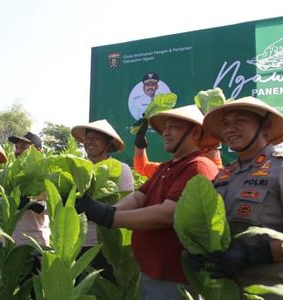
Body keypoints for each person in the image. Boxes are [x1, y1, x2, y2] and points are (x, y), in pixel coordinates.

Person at [74, 105, 219, 299]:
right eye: (165, 128)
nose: (165, 133)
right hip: (153, 269)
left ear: (194, 133)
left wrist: (110, 217)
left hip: (175, 274)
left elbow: (167, 214)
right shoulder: (166, 167)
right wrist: (106, 211)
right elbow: (138, 197)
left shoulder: (198, 166)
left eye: (173, 127)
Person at [201, 96, 283, 293]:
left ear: (265, 127)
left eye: (240, 121)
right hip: (229, 291)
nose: (230, 129)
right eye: (225, 124)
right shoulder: (224, 175)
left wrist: (254, 254)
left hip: (275, 290)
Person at [71, 119, 134, 280]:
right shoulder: (78, 170)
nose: (89, 141)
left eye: (96, 137)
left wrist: (98, 209)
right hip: (76, 245)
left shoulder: (121, 169)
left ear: (108, 143)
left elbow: (128, 206)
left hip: (105, 247)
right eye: (87, 137)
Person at [8, 132, 50, 247]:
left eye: (23, 148)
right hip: (9, 241)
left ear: (38, 151)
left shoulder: (47, 173)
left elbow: (49, 206)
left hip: (34, 243)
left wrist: (30, 202)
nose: (17, 151)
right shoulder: (10, 172)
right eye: (16, 147)